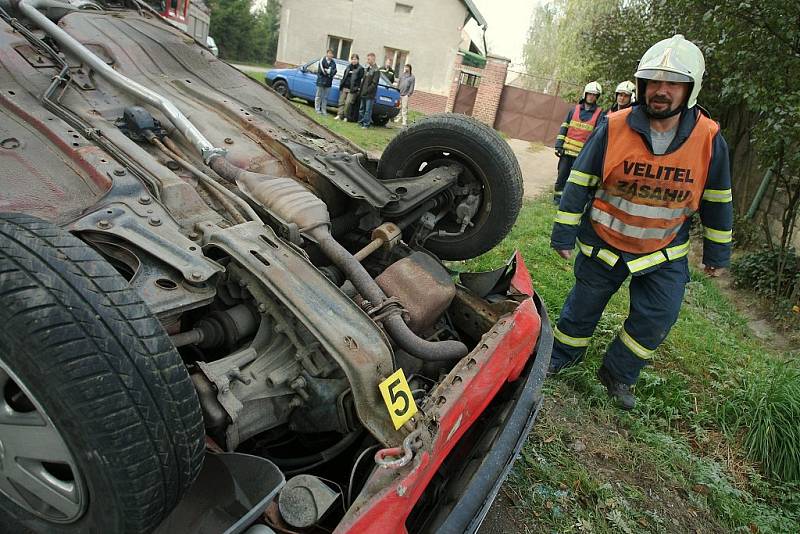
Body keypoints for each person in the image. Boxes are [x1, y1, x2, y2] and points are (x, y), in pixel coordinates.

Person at [549, 35, 733, 410]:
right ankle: (561, 358)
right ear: (642, 85)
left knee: (656, 317)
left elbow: (717, 198)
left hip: (663, 251)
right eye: (653, 82)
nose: (660, 92)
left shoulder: (709, 139)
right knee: (582, 309)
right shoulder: (614, 126)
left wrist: (717, 252)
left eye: (672, 84)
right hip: (604, 240)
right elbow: (580, 180)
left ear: (690, 88)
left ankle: (618, 373)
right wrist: (564, 231)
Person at [553, 81, 604, 204]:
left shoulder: (599, 114)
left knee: (575, 180)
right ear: (585, 94)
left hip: (582, 156)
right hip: (566, 152)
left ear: (597, 97)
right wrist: (559, 145)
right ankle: (557, 199)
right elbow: (564, 127)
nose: (591, 96)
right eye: (590, 94)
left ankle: (569, 200)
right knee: (562, 176)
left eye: (594, 95)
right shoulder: (573, 110)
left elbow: (596, 136)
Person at [335, 54, 364, 121]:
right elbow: (344, 76)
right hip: (344, 87)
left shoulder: (360, 68)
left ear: (358, 60)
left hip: (352, 89)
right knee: (341, 102)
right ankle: (339, 115)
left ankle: (346, 117)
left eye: (355, 59)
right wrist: (341, 84)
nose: (354, 61)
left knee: (348, 103)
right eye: (352, 59)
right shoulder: (348, 67)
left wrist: (357, 88)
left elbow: (361, 80)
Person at [358, 53, 380, 129]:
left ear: (373, 59)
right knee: (361, 109)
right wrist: (361, 91)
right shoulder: (367, 69)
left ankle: (366, 124)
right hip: (363, 92)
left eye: (369, 59)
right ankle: (360, 122)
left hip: (370, 94)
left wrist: (366, 91)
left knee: (367, 110)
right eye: (367, 59)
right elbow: (363, 81)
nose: (367, 61)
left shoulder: (376, 70)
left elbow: (374, 84)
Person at [314, 49, 337, 115]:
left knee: (325, 97)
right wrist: (328, 72)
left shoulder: (333, 63)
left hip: (328, 82)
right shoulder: (322, 61)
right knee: (318, 96)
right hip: (321, 81)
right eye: (329, 53)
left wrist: (330, 72)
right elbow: (321, 71)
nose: (330, 55)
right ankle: (317, 109)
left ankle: (323, 110)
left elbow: (334, 71)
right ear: (327, 54)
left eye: (332, 54)